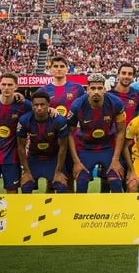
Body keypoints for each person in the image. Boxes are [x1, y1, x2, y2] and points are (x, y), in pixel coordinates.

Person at [67, 73, 126, 193]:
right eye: (93, 88)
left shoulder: (116, 103)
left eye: (99, 88)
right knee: (81, 183)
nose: (96, 92)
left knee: (116, 181)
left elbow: (121, 131)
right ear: (87, 89)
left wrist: (115, 160)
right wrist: (76, 162)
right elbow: (69, 133)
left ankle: (117, 206)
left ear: (105, 89)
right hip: (85, 148)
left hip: (108, 147)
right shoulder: (77, 105)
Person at [33, 55, 86, 190]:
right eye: (55, 66)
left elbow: (85, 109)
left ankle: (69, 202)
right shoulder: (43, 91)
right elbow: (34, 110)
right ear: (50, 69)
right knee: (51, 180)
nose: (58, 69)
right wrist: (47, 109)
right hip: (52, 139)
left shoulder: (77, 88)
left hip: (72, 138)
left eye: (62, 66)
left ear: (67, 69)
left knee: (69, 179)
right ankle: (50, 203)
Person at [17, 91, 69, 194]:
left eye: (42, 104)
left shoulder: (59, 120)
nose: (39, 108)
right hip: (34, 158)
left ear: (48, 105)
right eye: (36, 105)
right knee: (26, 186)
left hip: (53, 159)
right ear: (32, 106)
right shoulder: (24, 120)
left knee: (61, 186)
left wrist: (58, 171)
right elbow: (21, 146)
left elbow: (63, 147)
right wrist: (26, 171)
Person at [104, 63, 139, 192]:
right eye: (124, 73)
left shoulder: (136, 95)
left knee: (129, 181)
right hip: (111, 144)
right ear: (118, 75)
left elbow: (136, 117)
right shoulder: (108, 94)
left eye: (130, 74)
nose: (126, 76)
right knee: (107, 181)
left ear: (133, 77)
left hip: (129, 145)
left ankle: (128, 205)